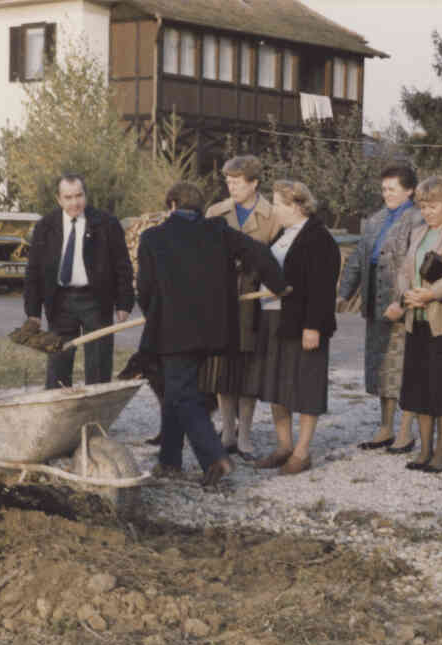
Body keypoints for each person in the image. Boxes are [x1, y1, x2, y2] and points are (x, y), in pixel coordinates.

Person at [137, 182, 287, 486]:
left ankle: (214, 456)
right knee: (176, 390)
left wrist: (153, 314)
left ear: (173, 205)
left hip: (173, 332)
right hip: (215, 330)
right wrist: (279, 284)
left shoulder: (153, 237)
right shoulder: (218, 230)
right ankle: (169, 460)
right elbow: (258, 251)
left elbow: (145, 288)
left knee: (183, 394)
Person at [386, 176, 442, 473]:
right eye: (423, 206)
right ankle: (423, 450)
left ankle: (441, 452)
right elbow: (404, 270)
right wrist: (405, 294)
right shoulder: (418, 232)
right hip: (417, 321)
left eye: (433, 205)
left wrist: (432, 293)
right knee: (420, 389)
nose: (427, 212)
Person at [253, 180, 341, 475]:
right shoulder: (281, 233)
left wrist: (313, 326)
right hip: (274, 318)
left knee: (306, 385)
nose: (273, 208)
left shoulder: (319, 239)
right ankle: (283, 445)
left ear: (297, 205)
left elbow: (322, 288)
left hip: (302, 321)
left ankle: (302, 452)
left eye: (278, 203)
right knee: (277, 385)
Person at [338, 162, 423, 453]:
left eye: (393, 189)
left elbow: (417, 265)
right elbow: (359, 258)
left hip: (402, 303)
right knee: (380, 367)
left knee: (403, 368)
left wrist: (402, 302)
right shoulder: (374, 220)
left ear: (410, 190)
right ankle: (385, 427)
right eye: (384, 188)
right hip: (375, 302)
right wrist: (343, 292)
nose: (386, 194)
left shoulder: (418, 219)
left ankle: (405, 431)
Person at [200, 155, 281, 459]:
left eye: (237, 181)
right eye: (228, 181)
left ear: (254, 183)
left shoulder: (272, 216)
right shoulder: (215, 212)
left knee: (248, 369)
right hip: (222, 300)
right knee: (222, 368)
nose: (231, 186)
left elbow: (274, 260)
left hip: (254, 301)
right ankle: (228, 432)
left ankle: (245, 434)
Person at [23, 173, 134, 388]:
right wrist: (33, 312)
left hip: (96, 301)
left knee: (99, 366)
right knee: (57, 366)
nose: (75, 202)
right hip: (59, 302)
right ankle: (60, 417)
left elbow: (123, 266)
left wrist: (124, 303)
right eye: (68, 197)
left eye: (79, 196)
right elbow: (33, 271)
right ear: (59, 199)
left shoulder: (107, 224)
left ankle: (95, 417)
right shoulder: (45, 226)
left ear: (86, 195)